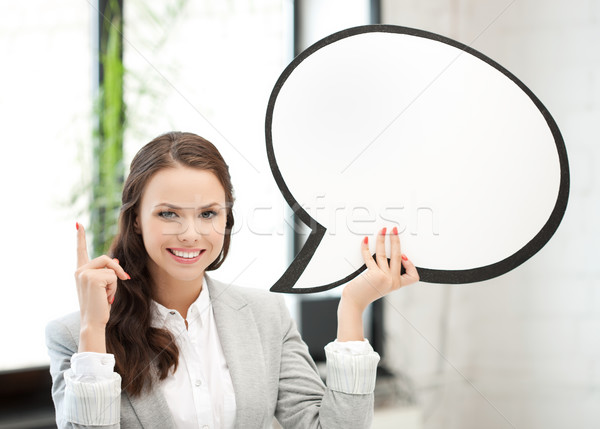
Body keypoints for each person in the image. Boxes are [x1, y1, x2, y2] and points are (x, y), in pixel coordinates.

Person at [45, 131, 419, 428]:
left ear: (227, 219)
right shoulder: (72, 337)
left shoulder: (265, 316)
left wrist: (352, 306)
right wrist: (94, 328)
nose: (191, 233)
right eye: (169, 214)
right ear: (137, 219)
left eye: (208, 214)